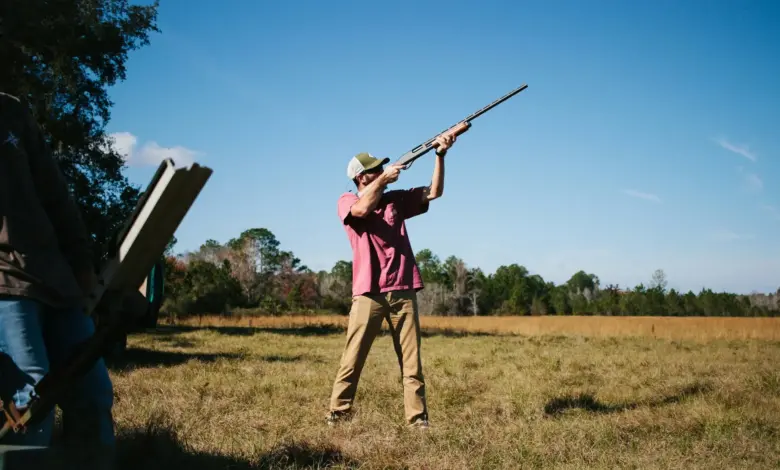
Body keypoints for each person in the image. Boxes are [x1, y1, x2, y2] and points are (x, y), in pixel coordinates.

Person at [0, 91, 115, 449]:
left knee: (93, 392)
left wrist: (81, 261)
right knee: (30, 399)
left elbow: (55, 192)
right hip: (4, 284)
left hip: (56, 277)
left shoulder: (12, 109)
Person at [327, 131, 457, 429]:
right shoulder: (347, 200)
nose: (381, 171)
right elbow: (360, 210)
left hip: (403, 289)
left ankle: (418, 420)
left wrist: (440, 155)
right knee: (353, 357)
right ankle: (338, 413)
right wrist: (383, 180)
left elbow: (434, 192)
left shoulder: (394, 200)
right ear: (361, 177)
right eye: (374, 169)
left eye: (382, 168)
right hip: (368, 292)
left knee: (412, 363)